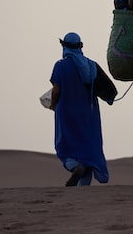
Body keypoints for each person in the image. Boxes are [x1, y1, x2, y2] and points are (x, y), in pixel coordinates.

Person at [49, 32, 117, 187]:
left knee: (64, 148)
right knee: (88, 152)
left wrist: (53, 104)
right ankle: (81, 189)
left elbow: (56, 90)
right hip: (89, 115)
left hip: (66, 113)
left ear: (64, 46)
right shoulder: (91, 66)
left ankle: (74, 167)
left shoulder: (60, 66)